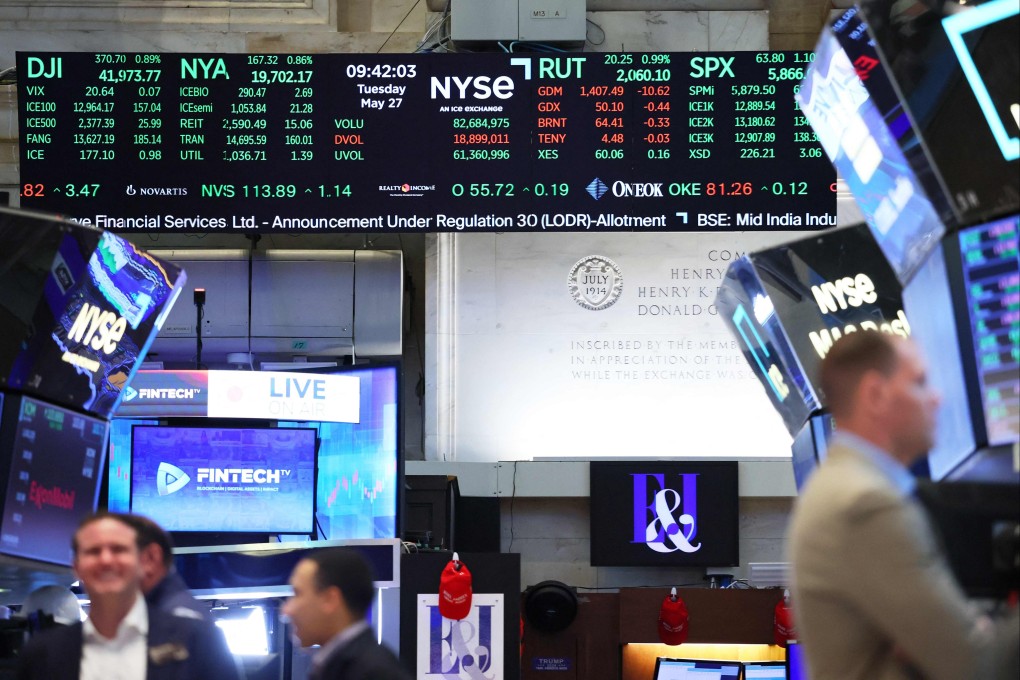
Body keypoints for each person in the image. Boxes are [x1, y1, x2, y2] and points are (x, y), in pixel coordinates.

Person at [788, 331, 1018, 680]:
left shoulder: (841, 486)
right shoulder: (866, 503)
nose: (937, 398)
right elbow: (973, 663)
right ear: (876, 395)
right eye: (921, 382)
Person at [16, 512, 241, 680]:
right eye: (93, 551)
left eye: (119, 550)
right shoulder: (43, 653)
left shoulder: (198, 639)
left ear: (144, 562)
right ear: (77, 567)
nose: (105, 560)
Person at [282, 547, 411, 680]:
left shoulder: (372, 672)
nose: (286, 610)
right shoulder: (339, 666)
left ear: (330, 599)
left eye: (297, 594)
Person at [121, 514, 208, 620]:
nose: (105, 560)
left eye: (118, 550)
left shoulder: (178, 619)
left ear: (151, 557)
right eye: (95, 552)